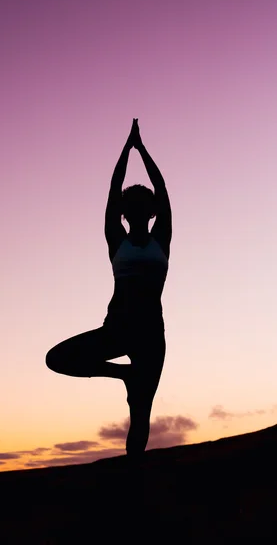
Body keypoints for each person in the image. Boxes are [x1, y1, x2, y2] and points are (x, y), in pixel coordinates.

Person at [45, 118, 172, 461]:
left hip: (151, 335)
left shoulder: (162, 239)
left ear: (151, 212)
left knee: (141, 413)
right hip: (117, 329)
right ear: (125, 213)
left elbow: (161, 188)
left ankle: (134, 480)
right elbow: (113, 189)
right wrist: (126, 149)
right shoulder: (117, 241)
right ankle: (125, 375)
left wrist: (141, 150)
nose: (139, 211)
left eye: (144, 207)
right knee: (56, 359)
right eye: (131, 208)